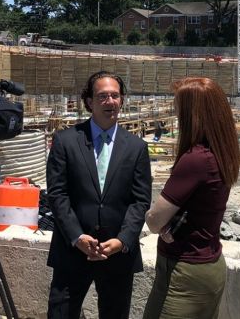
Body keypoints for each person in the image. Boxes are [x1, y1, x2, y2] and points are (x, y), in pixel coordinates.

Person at [45, 71, 152, 319]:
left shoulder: (136, 147)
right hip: (73, 251)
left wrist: (123, 240)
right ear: (89, 102)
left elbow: (140, 201)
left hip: (117, 255)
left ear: (122, 100)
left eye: (115, 95)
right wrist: (77, 237)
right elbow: (58, 194)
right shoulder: (65, 141)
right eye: (102, 96)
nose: (110, 101)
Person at [144, 77, 240, 319]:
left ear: (192, 115)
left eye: (179, 109)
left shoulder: (195, 159)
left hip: (185, 271)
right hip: (209, 264)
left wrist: (160, 221)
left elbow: (154, 221)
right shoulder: (222, 152)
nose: (177, 115)